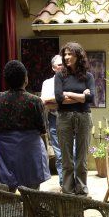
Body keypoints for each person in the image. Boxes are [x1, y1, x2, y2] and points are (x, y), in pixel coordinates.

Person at [0, 60, 50, 191]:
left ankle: (10, 212)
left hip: (6, 151)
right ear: (25, 79)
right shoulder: (34, 100)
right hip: (30, 150)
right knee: (32, 192)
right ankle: (30, 211)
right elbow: (42, 128)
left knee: (8, 190)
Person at [54, 42, 95, 195]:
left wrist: (69, 94)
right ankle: (67, 189)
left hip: (84, 116)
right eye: (65, 54)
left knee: (82, 157)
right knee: (66, 157)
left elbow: (91, 97)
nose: (66, 57)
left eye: (70, 54)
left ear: (78, 56)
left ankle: (81, 188)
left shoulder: (88, 76)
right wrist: (80, 96)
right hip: (64, 117)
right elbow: (59, 98)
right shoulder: (60, 75)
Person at [41, 54, 64, 184]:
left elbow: (72, 101)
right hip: (54, 119)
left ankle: (72, 182)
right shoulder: (48, 83)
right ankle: (63, 183)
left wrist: (56, 99)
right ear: (53, 68)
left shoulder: (70, 81)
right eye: (60, 65)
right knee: (59, 154)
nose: (62, 67)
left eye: (64, 65)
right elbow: (44, 101)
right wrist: (62, 99)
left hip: (69, 118)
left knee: (72, 152)